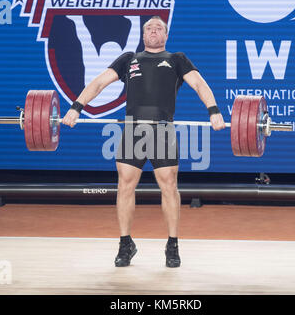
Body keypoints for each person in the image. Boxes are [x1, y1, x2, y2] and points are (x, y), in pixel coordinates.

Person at [63, 16, 226, 268]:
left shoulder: (177, 59)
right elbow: (98, 83)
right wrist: (76, 107)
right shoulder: (129, 59)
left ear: (166, 35)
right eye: (148, 27)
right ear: (142, 34)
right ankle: (125, 243)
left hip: (162, 129)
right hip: (133, 129)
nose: (153, 30)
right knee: (125, 185)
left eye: (158, 27)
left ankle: (172, 245)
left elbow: (199, 84)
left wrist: (214, 111)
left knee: (169, 186)